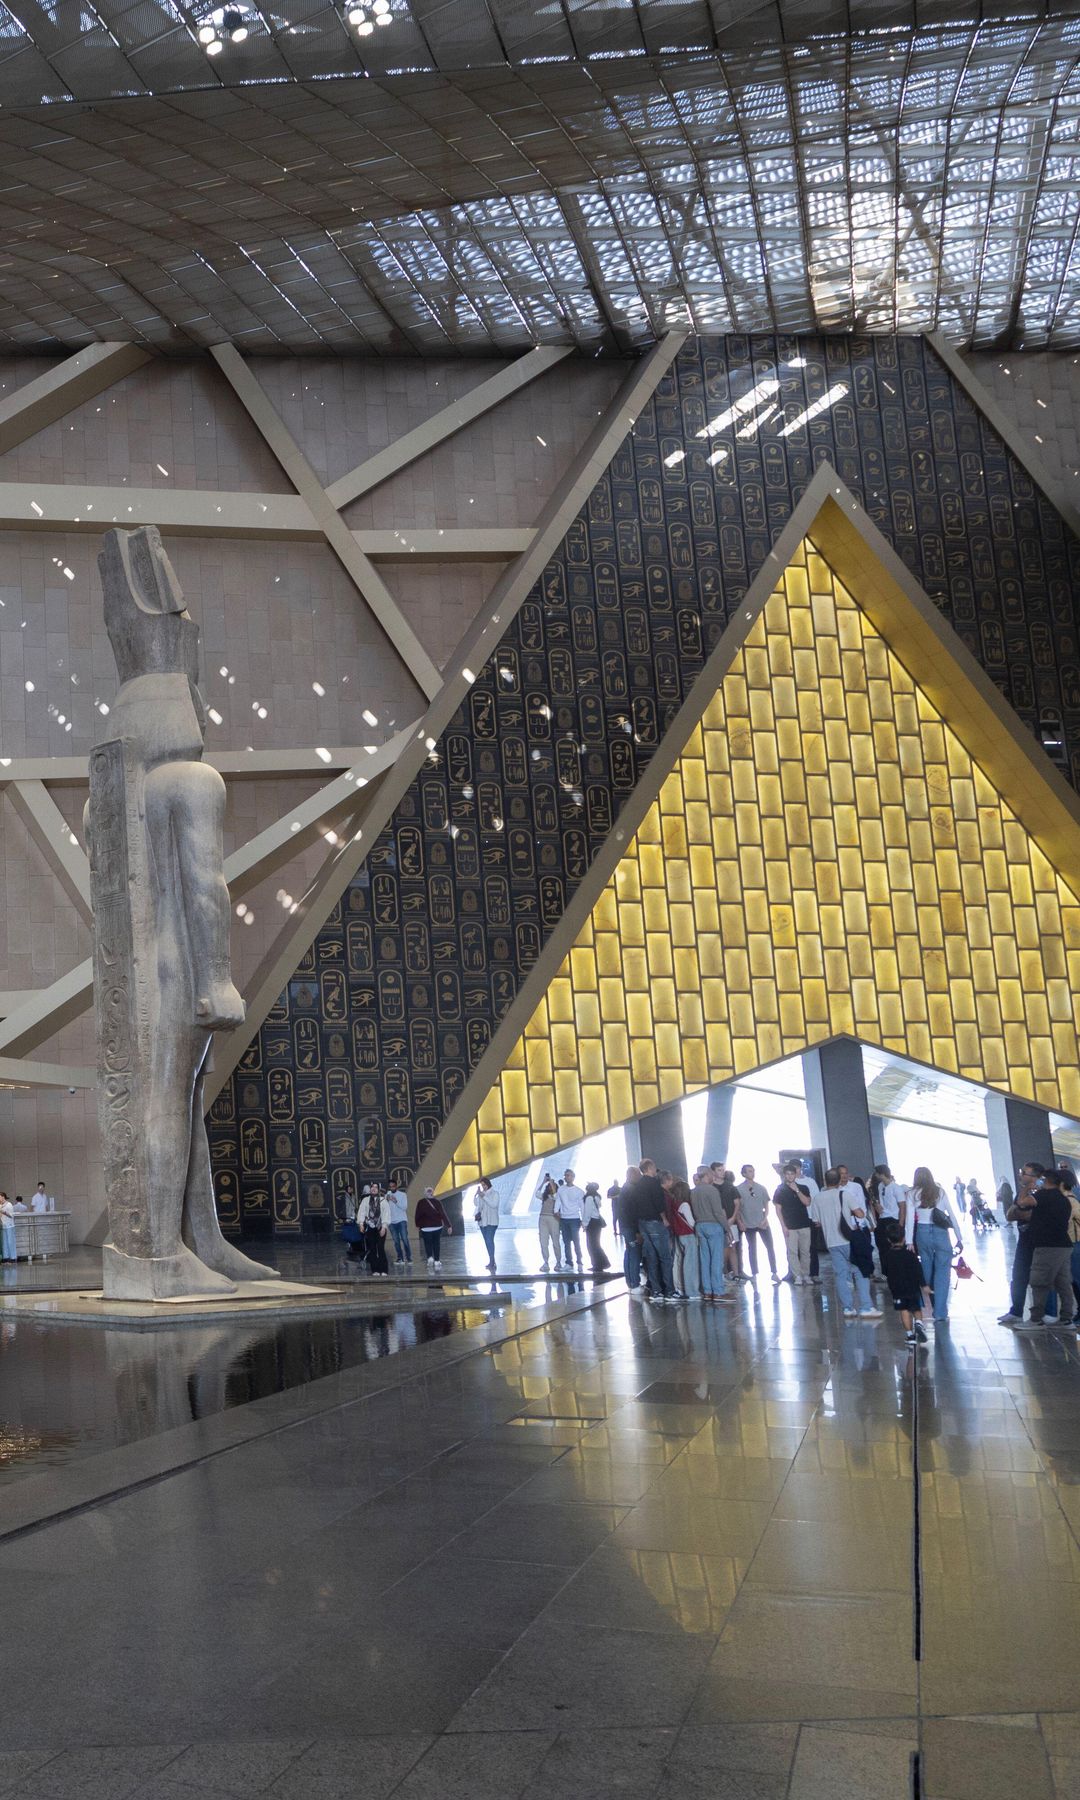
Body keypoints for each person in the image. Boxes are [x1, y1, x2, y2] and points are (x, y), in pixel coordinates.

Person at [809, 1170, 880, 1319]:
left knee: (841, 1275)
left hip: (831, 1242)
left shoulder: (817, 1198)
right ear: (839, 1180)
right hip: (848, 1240)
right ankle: (866, 1307)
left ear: (825, 1180)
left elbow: (816, 1221)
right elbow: (860, 1214)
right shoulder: (844, 1195)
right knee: (860, 1271)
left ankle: (848, 1308)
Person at [1015, 1170, 1077, 1332]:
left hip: (1047, 1246)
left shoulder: (1043, 1196)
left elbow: (1022, 1202)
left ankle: (1036, 1319)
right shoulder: (1063, 1199)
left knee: (1039, 1281)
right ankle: (1066, 1319)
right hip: (1064, 1245)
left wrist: (1027, 1187)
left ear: (1047, 1180)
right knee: (1063, 1282)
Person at [906, 1166, 962, 1324]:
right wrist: (959, 1237)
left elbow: (910, 1219)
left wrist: (909, 1240)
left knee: (927, 1270)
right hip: (941, 1233)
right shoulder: (940, 1191)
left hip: (922, 1234)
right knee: (943, 1273)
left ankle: (934, 1301)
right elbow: (951, 1214)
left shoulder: (911, 1194)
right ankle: (940, 1313)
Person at [999, 1162, 1045, 1327]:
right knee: (1018, 1275)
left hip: (1041, 1241)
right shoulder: (1022, 1192)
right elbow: (1010, 1214)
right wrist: (1020, 1210)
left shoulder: (1043, 1192)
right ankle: (1016, 1312)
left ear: (1035, 1177)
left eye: (1024, 1173)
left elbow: (1030, 1215)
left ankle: (1042, 1315)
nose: (1020, 1175)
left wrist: (1020, 1211)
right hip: (1024, 1240)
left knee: (1041, 1279)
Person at [630, 1158, 675, 1301]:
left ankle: (656, 1291)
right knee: (665, 1257)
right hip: (655, 1222)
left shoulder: (638, 1185)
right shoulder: (654, 1183)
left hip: (642, 1224)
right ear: (650, 1168)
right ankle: (669, 1290)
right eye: (654, 1167)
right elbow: (658, 1203)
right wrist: (665, 1219)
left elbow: (635, 1206)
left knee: (651, 1257)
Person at [691, 1167, 734, 1302]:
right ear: (708, 1175)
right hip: (713, 1225)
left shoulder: (694, 1191)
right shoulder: (712, 1190)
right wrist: (727, 1228)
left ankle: (707, 1291)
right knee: (716, 1259)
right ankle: (718, 1291)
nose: (713, 1177)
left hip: (700, 1226)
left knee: (705, 1259)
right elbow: (717, 1212)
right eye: (712, 1174)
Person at [883, 1218, 928, 1346]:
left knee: (904, 1310)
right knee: (916, 1308)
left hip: (897, 1289)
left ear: (888, 1240)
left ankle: (910, 1336)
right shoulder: (910, 1255)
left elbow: (885, 1271)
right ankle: (919, 1323)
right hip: (913, 1287)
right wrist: (923, 1285)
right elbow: (918, 1270)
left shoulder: (887, 1256)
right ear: (903, 1238)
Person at [736, 1164, 779, 1283]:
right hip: (748, 1222)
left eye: (753, 1171)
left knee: (770, 1246)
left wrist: (765, 1218)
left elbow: (766, 1204)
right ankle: (754, 1273)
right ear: (744, 1173)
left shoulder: (761, 1188)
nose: (752, 1173)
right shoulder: (739, 1189)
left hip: (762, 1222)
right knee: (752, 1248)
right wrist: (740, 1221)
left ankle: (774, 1272)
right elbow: (738, 1207)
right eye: (749, 1171)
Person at [774, 1164, 813, 1284]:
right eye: (787, 1174)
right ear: (784, 1175)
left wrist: (797, 1190)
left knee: (805, 1251)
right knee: (792, 1252)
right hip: (790, 1226)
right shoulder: (780, 1190)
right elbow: (778, 1209)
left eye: (792, 1174)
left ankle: (806, 1274)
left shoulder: (804, 1187)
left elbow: (807, 1202)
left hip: (804, 1224)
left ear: (795, 1175)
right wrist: (783, 1226)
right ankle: (797, 1276)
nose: (790, 1176)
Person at [662, 1172, 699, 1300]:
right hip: (688, 1235)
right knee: (690, 1263)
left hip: (678, 1234)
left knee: (679, 1261)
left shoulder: (674, 1203)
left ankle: (680, 1288)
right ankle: (692, 1291)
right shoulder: (685, 1205)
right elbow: (691, 1222)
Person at [868, 1163, 907, 1275]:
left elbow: (902, 1207)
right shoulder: (881, 1186)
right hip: (883, 1219)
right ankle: (886, 1272)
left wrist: (900, 1224)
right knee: (882, 1246)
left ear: (882, 1174)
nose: (875, 1175)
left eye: (877, 1173)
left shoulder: (896, 1188)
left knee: (893, 1247)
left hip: (893, 1219)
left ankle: (897, 1271)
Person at [613, 1165, 644, 1292]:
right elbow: (632, 1212)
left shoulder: (625, 1190)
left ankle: (630, 1282)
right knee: (634, 1253)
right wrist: (637, 1231)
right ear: (631, 1175)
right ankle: (634, 1283)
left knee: (629, 1252)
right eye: (638, 1175)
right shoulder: (631, 1190)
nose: (640, 1177)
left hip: (626, 1226)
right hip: (631, 1227)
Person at [553, 1169, 585, 1272]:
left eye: (569, 1175)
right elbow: (558, 1200)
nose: (567, 1177)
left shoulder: (579, 1191)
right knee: (566, 1242)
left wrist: (584, 1221)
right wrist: (555, 1210)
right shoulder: (561, 1190)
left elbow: (582, 1206)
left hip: (574, 1219)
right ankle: (569, 1263)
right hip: (564, 1218)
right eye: (565, 1175)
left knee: (576, 1242)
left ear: (573, 1177)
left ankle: (579, 1262)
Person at [415, 1187, 451, 1270]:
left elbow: (418, 1215)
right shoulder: (437, 1202)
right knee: (436, 1243)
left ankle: (430, 1258)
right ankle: (437, 1261)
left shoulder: (421, 1202)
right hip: (437, 1226)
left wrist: (418, 1225)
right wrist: (448, 1225)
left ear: (425, 1193)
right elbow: (443, 1214)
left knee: (427, 1243)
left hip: (425, 1227)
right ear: (433, 1193)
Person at [359, 1185, 388, 1276]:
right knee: (372, 1248)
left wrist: (384, 1227)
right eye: (372, 1187)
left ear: (378, 1190)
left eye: (376, 1187)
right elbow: (361, 1212)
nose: (374, 1189)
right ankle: (375, 1269)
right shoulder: (365, 1200)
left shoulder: (383, 1200)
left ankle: (384, 1270)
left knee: (380, 1247)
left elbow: (386, 1214)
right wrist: (361, 1224)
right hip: (370, 1227)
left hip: (380, 1227)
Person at [474, 1177, 500, 1272]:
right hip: (482, 1222)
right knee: (487, 1241)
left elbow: (494, 1205)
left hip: (492, 1222)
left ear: (488, 1184)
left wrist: (483, 1196)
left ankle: (492, 1261)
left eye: (484, 1185)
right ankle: (491, 1260)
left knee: (489, 1240)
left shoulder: (495, 1194)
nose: (483, 1187)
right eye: (482, 1185)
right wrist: (477, 1195)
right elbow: (477, 1205)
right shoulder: (482, 1195)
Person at [582, 1183, 610, 1272]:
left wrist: (584, 1224)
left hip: (592, 1223)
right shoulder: (597, 1197)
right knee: (596, 1244)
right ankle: (602, 1263)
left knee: (591, 1245)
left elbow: (587, 1212)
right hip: (597, 1222)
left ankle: (597, 1264)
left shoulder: (589, 1198)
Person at [384, 1183, 412, 1268]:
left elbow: (404, 1207)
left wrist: (396, 1201)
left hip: (401, 1220)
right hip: (391, 1222)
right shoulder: (387, 1196)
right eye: (390, 1186)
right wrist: (387, 1200)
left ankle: (409, 1258)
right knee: (396, 1241)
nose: (391, 1188)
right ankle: (400, 1258)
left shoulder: (402, 1195)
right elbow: (384, 1208)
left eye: (393, 1186)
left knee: (404, 1239)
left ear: (396, 1186)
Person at [537, 1173, 560, 1271]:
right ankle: (545, 1262)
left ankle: (558, 1262)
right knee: (543, 1241)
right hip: (543, 1218)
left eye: (553, 1186)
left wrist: (551, 1183)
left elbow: (555, 1196)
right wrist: (543, 1182)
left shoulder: (558, 1196)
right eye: (550, 1186)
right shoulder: (545, 1196)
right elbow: (537, 1193)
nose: (551, 1187)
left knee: (555, 1241)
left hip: (553, 1219)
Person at [0, 1192, 14, 1263]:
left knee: (10, 1242)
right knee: (4, 1242)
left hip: (9, 1226)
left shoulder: (9, 1205)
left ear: (3, 1197)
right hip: (3, 1226)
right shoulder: (0, 1205)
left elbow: (11, 1215)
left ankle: (12, 1257)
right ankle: (5, 1257)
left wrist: (4, 1212)